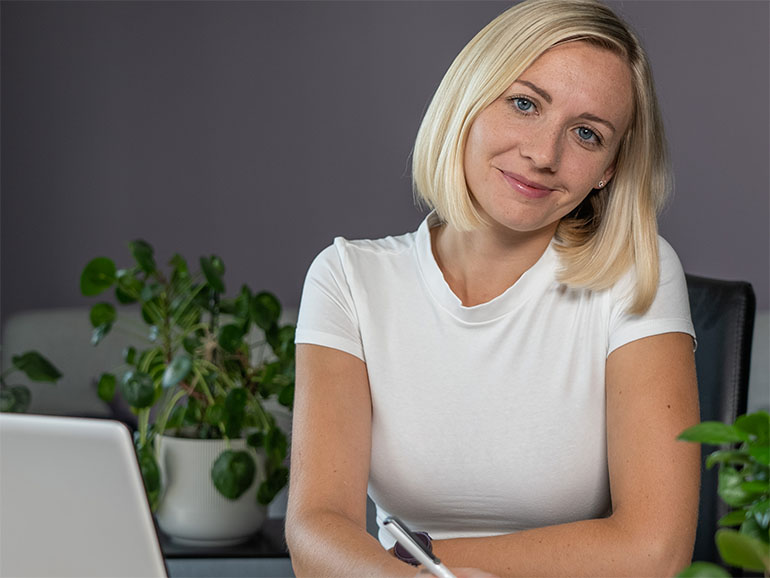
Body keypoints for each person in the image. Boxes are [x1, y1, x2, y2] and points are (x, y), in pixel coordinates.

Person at [285, 0, 701, 576]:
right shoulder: (348, 279)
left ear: (609, 168)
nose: (542, 155)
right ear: (469, 101)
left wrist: (418, 564)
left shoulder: (638, 273)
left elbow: (656, 550)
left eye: (586, 134)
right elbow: (314, 530)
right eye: (525, 103)